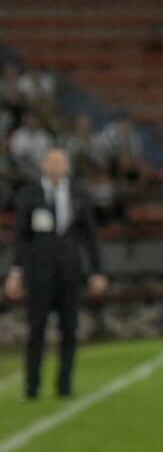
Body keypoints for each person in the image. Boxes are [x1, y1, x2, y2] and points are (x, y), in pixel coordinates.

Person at [5, 148, 108, 399]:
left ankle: (64, 385)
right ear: (43, 165)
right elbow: (20, 237)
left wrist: (97, 271)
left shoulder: (78, 194)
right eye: (51, 161)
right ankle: (32, 386)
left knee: (70, 329)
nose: (55, 166)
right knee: (36, 329)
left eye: (60, 162)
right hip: (39, 273)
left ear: (68, 167)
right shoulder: (29, 195)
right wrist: (16, 271)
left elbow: (90, 236)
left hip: (70, 273)